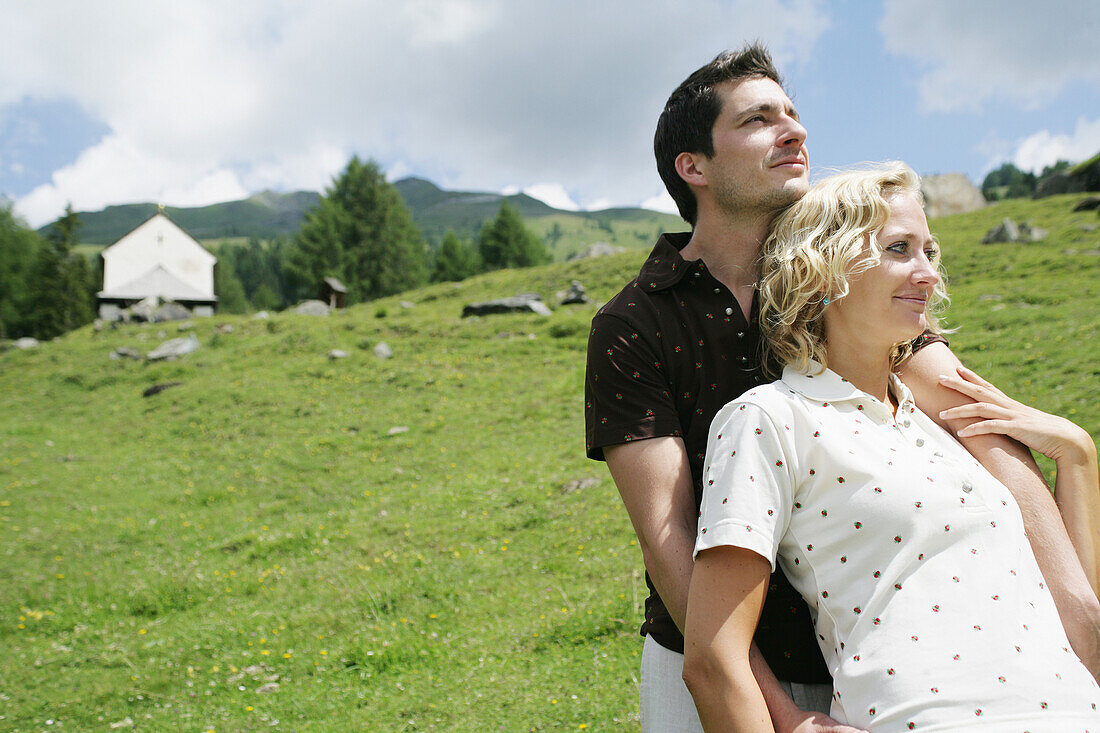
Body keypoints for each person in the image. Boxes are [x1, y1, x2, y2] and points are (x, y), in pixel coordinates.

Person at [584, 43, 1099, 733]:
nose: (794, 130)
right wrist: (780, 712)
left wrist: (1083, 621)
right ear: (693, 166)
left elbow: (982, 424)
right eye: (760, 119)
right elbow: (670, 533)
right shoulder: (634, 320)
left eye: (793, 112)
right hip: (708, 645)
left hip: (870, 650)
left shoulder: (843, 283)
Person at [683, 162, 1100, 731]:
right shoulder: (770, 418)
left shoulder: (945, 429)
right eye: (899, 249)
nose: (927, 273)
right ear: (822, 266)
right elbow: (712, 660)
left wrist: (1079, 457)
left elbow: (1074, 610)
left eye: (930, 252)